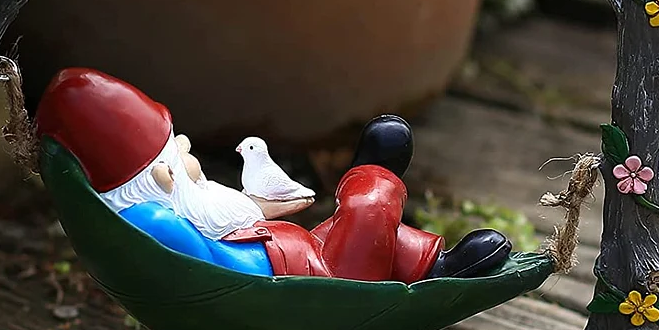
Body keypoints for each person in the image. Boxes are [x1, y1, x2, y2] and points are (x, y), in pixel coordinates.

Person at [36, 68, 510, 281]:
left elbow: (222, 217)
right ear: (158, 175)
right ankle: (374, 175)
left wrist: (262, 211)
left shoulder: (178, 204)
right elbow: (206, 267)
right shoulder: (159, 222)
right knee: (364, 215)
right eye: (177, 152)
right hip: (304, 281)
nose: (189, 154)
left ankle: (436, 269)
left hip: (292, 251)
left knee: (351, 236)